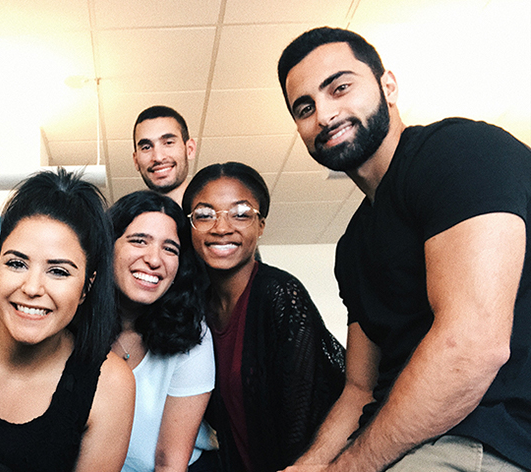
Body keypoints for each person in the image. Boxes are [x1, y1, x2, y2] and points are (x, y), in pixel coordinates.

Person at [276, 26, 531, 472]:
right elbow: (360, 387)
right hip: (402, 445)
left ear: (387, 85)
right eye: (305, 107)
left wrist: (350, 466)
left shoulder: (457, 152)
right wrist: (311, 465)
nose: (324, 114)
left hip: (488, 437)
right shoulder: (352, 245)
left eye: (339, 88)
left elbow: (474, 344)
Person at [0, 168, 135, 472]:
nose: (31, 288)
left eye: (59, 271)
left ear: (86, 288)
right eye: (16, 263)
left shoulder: (109, 383)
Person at [182, 162, 346, 471]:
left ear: (261, 226)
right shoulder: (195, 307)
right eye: (204, 214)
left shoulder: (280, 294)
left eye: (241, 213)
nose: (221, 227)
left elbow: (301, 420)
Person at [108, 190, 217, 472]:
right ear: (108, 246)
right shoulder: (73, 321)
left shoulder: (193, 334)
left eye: (170, 248)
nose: (154, 260)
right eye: (139, 241)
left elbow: (169, 461)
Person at [132, 106, 197, 205]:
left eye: (168, 143)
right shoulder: (124, 219)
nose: (158, 157)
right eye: (146, 147)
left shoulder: (216, 217)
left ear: (190, 149)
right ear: (136, 161)